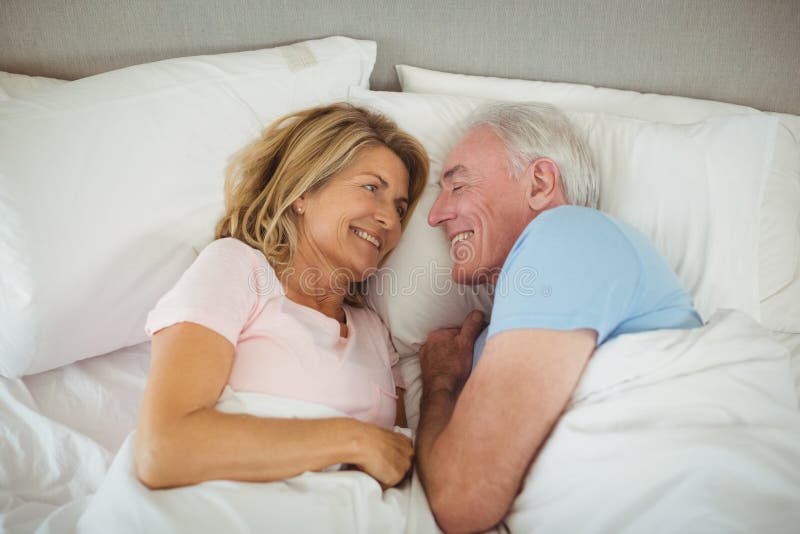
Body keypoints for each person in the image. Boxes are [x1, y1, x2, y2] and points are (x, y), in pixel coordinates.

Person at [416, 102, 703, 532]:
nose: (435, 215)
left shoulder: (569, 232)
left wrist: (438, 385)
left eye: (457, 187)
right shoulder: (501, 331)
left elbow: (462, 498)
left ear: (540, 182)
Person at [134, 103, 428, 490]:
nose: (390, 220)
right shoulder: (238, 268)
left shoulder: (375, 331)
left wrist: (438, 385)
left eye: (400, 207)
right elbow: (164, 450)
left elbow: (399, 468)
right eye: (371, 188)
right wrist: (353, 440)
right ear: (303, 191)